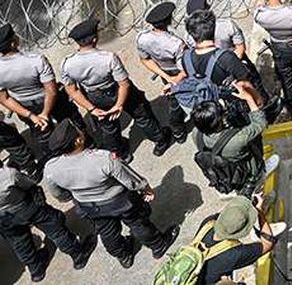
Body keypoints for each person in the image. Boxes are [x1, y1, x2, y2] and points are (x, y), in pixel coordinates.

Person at [42, 120, 178, 268]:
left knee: (108, 233)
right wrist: (144, 187)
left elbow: (58, 194)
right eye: (78, 130)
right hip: (120, 201)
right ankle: (158, 245)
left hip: (91, 207)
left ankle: (124, 256)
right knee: (137, 223)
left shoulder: (51, 168)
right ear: (78, 140)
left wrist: (75, 196)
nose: (81, 130)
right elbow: (129, 179)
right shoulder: (102, 158)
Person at [61, 18, 173, 159]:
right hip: (116, 90)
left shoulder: (67, 64)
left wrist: (92, 109)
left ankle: (120, 154)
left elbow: (72, 90)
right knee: (142, 114)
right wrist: (119, 105)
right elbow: (124, 84)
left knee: (108, 126)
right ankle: (160, 140)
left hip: (94, 96)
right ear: (95, 39)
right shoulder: (108, 58)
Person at [0, 160, 97, 281]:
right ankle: (78, 254)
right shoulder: (8, 174)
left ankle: (36, 270)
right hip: (27, 207)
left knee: (20, 243)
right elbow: (28, 184)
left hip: (5, 220)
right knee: (55, 229)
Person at [0, 24, 84, 163]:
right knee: (70, 121)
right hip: (49, 100)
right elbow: (51, 91)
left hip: (24, 105)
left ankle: (55, 161)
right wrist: (45, 113)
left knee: (42, 133)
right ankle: (85, 147)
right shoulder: (36, 60)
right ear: (14, 43)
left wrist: (32, 116)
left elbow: (5, 99)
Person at [192, 81, 272, 197]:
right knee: (257, 185)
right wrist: (249, 98)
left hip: (225, 170)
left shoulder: (196, 134)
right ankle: (260, 183)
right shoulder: (236, 139)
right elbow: (260, 123)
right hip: (246, 172)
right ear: (219, 122)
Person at [135, 2, 192, 147]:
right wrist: (174, 80)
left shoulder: (142, 38)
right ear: (169, 20)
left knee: (173, 99)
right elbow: (185, 68)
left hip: (165, 71)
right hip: (179, 72)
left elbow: (145, 59)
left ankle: (178, 131)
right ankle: (182, 127)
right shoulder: (176, 44)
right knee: (182, 99)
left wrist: (166, 78)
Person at [188, 196, 276, 285]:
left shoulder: (208, 223)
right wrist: (260, 212)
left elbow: (227, 216)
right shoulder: (234, 253)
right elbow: (268, 242)